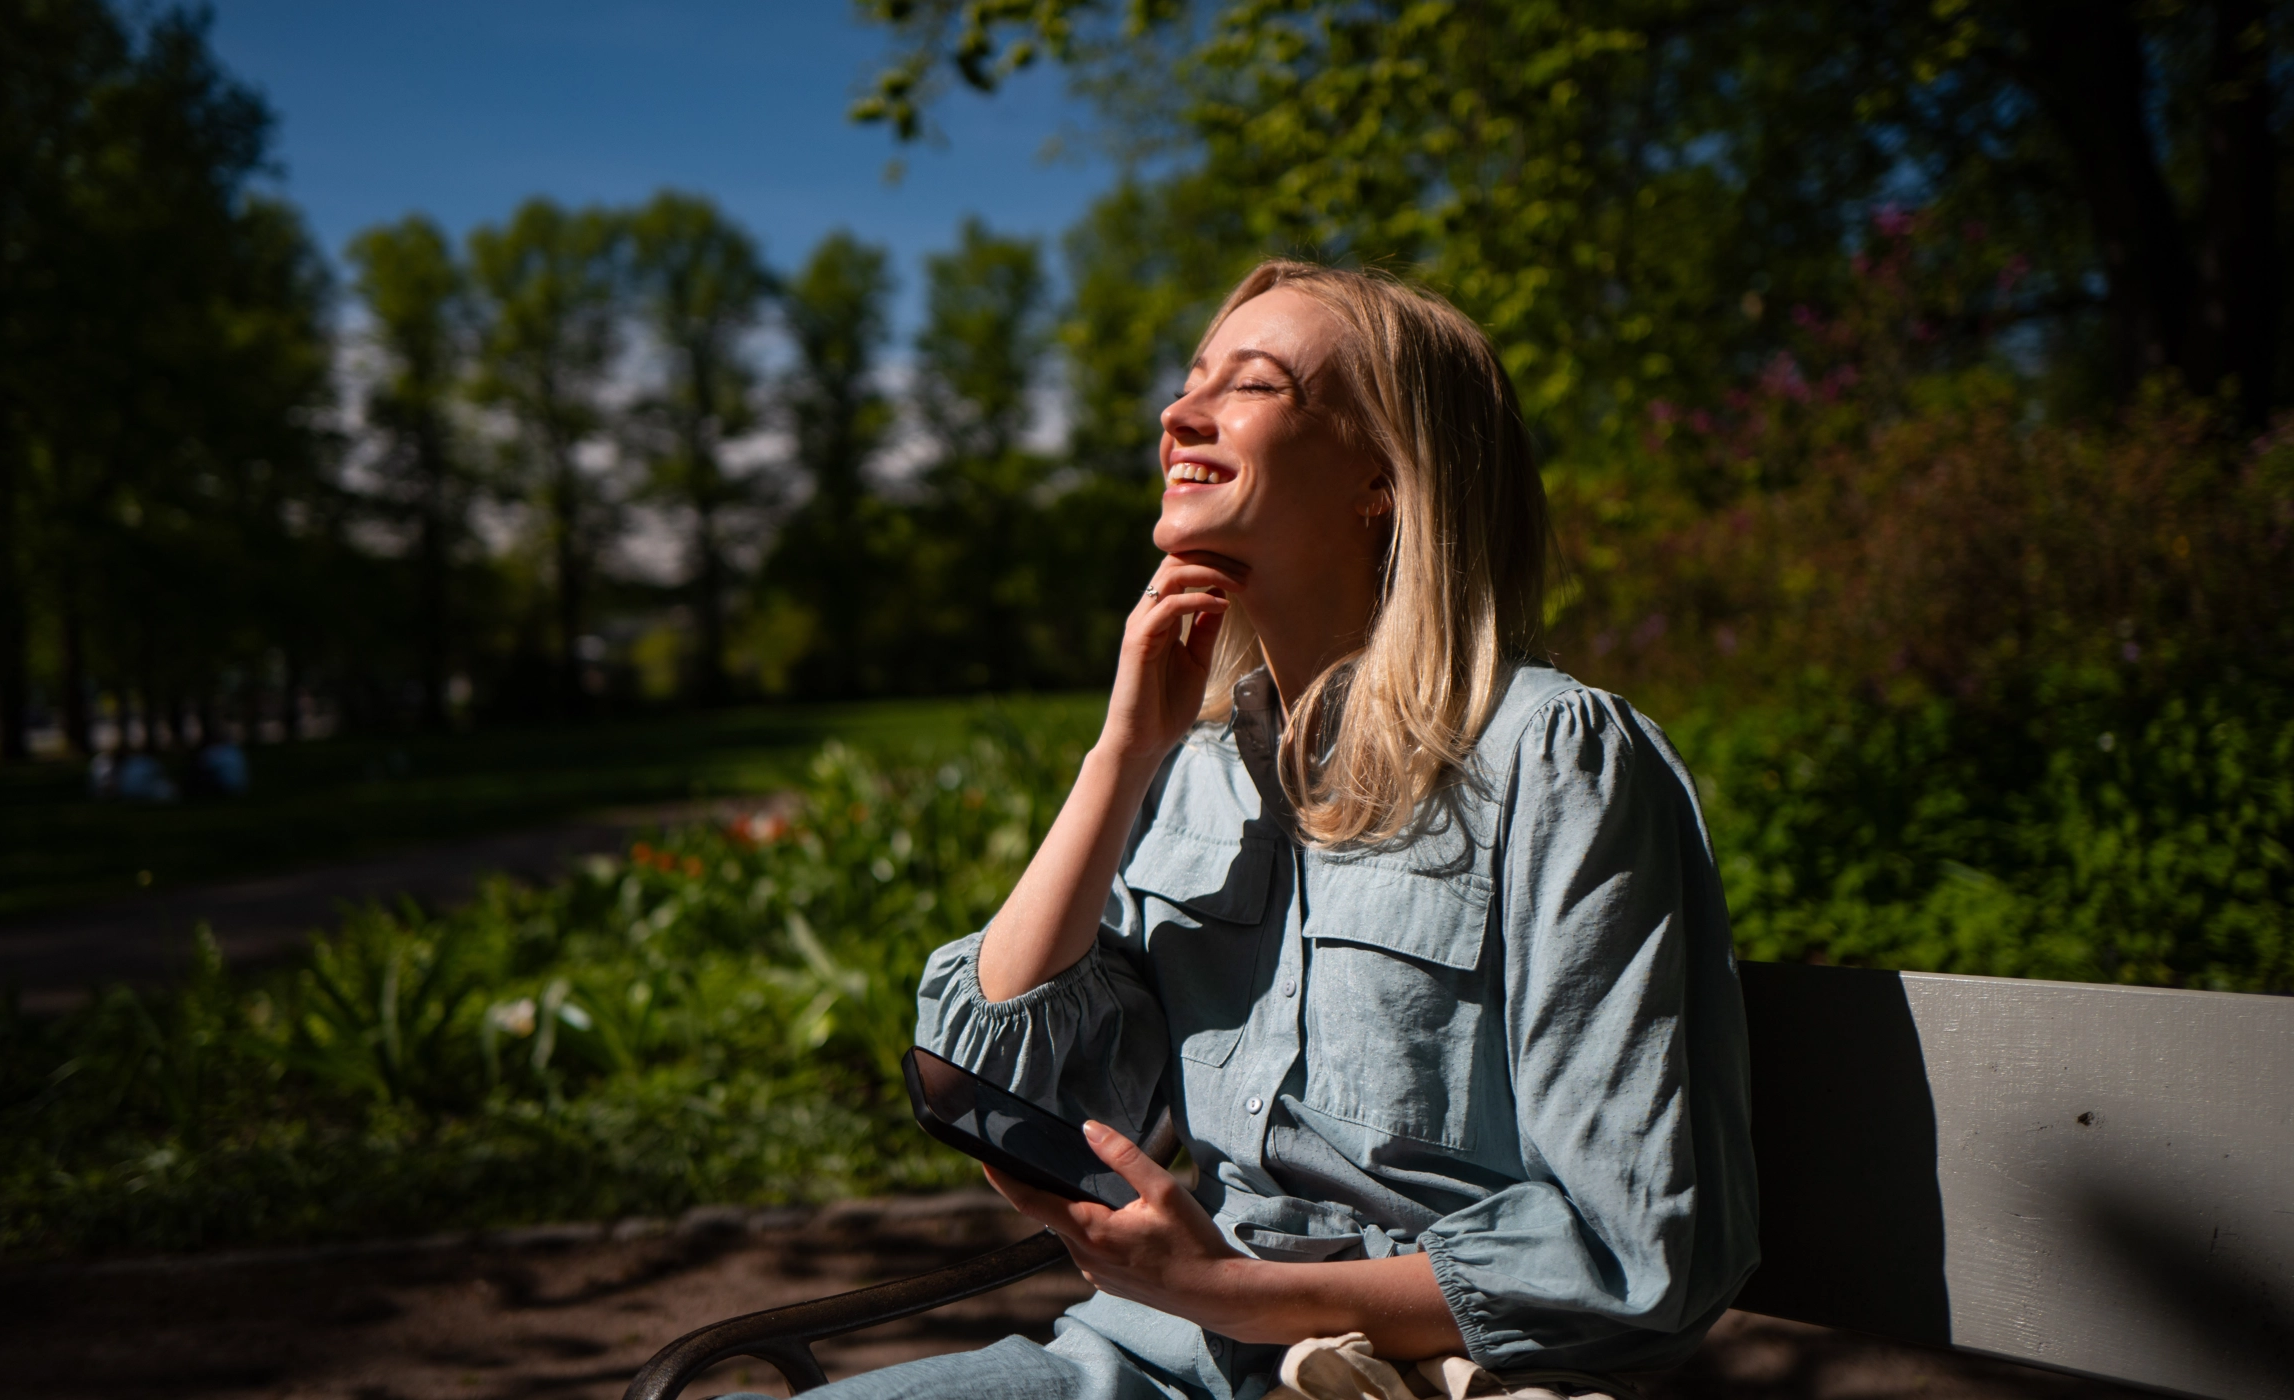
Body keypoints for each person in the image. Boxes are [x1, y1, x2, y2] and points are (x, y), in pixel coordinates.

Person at [732, 262, 1759, 1399]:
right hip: (1142, 1356)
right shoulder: (1200, 766)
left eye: (1254, 385)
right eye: (1190, 382)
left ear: (1382, 470)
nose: (1180, 413)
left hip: (1415, 1376)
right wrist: (1120, 754)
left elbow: (1634, 1250)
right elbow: (1002, 1081)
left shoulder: (1552, 757)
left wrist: (1237, 1292)